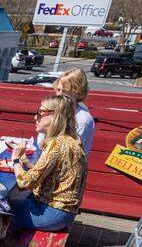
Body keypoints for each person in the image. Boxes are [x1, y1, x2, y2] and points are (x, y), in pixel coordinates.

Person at [9, 94, 87, 232]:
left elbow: (25, 183)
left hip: (53, 213)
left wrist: (15, 160)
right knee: (16, 202)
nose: (35, 117)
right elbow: (53, 176)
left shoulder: (57, 144)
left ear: (54, 116)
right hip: (64, 212)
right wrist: (27, 162)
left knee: (2, 208)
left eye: (40, 112)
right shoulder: (70, 140)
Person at [31, 68, 95, 158]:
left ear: (78, 93)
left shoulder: (82, 119)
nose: (59, 95)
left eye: (65, 92)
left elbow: (69, 156)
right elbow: (40, 143)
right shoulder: (57, 109)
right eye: (58, 90)